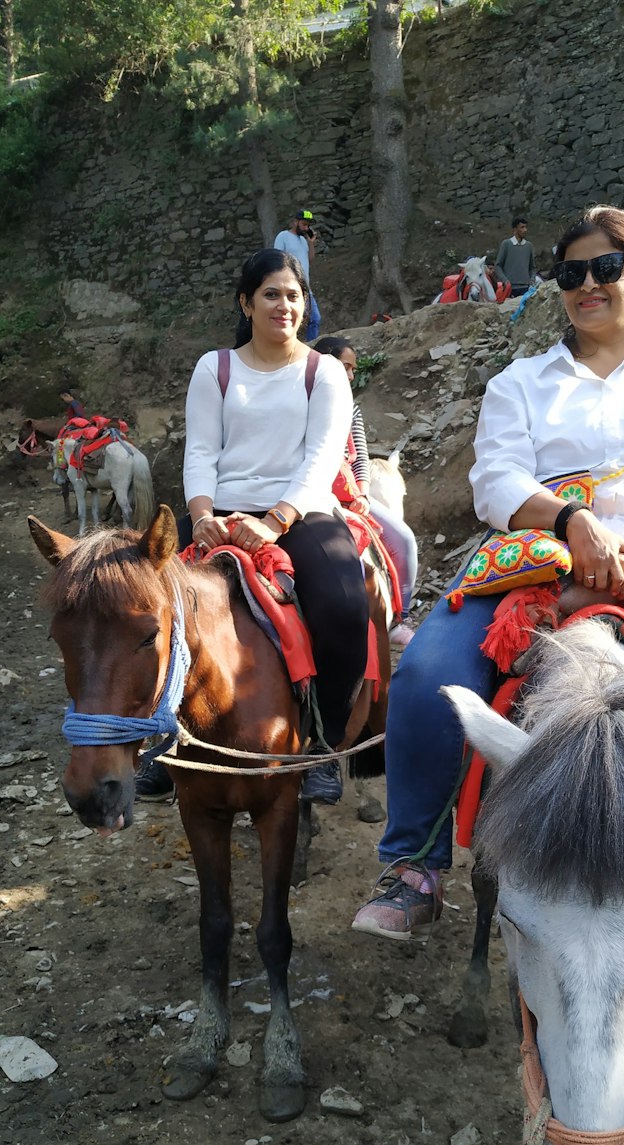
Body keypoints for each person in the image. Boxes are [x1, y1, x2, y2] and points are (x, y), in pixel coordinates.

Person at [351, 204, 624, 972]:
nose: (587, 285)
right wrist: (572, 522)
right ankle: (414, 863)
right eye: (570, 272)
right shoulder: (520, 382)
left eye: (605, 268)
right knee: (429, 674)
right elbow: (495, 479)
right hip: (534, 560)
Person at [136, 248, 368, 806]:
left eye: (294, 295)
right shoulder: (214, 368)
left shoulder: (325, 371)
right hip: (218, 516)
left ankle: (323, 745)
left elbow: (321, 456)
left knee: (343, 605)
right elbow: (202, 452)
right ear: (246, 302)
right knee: (153, 613)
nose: (284, 305)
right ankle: (168, 739)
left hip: (301, 512)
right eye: (271, 294)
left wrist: (274, 521)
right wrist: (202, 517)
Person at [312, 335, 419, 647]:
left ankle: (401, 616)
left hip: (350, 496)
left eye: (353, 369)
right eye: (345, 366)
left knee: (403, 540)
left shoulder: (351, 410)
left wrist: (361, 492)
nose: (350, 375)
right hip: (314, 497)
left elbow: (359, 455)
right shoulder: (301, 404)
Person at [273, 209, 321, 341]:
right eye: (304, 224)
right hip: (290, 288)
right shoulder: (283, 236)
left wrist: (311, 244)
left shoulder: (304, 241)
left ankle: (310, 347)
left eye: (308, 225)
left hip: (305, 288)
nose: (306, 228)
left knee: (315, 319)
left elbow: (310, 260)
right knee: (292, 320)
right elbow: (277, 259)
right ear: (295, 222)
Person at [494, 217, 537, 298]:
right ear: (515, 230)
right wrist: (505, 280)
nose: (525, 230)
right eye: (522, 227)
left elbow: (533, 267)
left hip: (526, 288)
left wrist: (532, 280)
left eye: (525, 227)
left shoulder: (529, 246)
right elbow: (498, 266)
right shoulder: (506, 244)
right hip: (510, 288)